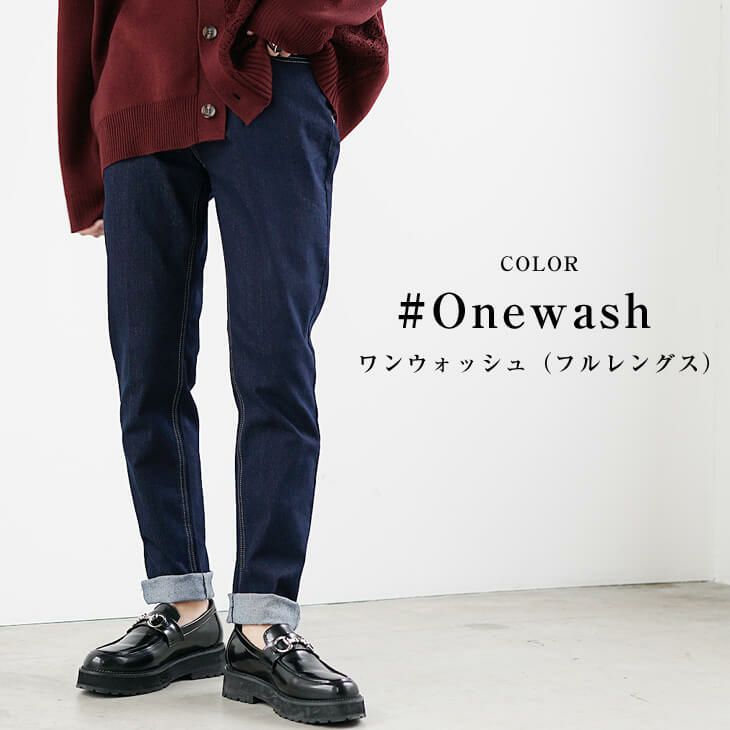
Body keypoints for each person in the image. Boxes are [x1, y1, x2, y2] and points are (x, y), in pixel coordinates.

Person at [56, 1, 388, 724]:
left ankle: (264, 624)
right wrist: (85, 168)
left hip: (273, 91)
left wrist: (289, 21)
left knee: (276, 366)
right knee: (147, 370)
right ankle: (181, 609)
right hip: (141, 99)